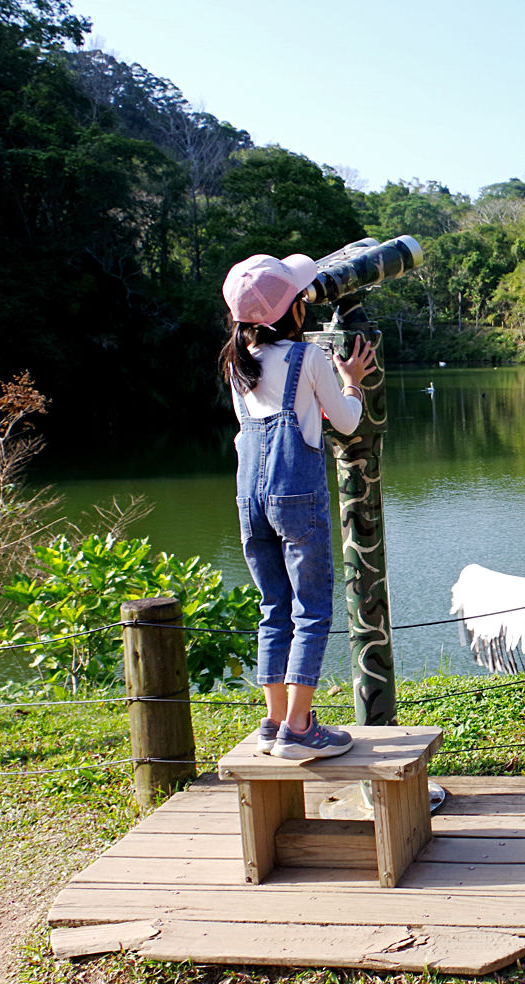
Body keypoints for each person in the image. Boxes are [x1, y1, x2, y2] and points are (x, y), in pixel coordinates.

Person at [219, 252, 377, 760]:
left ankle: (272, 720)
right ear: (295, 311)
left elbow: (248, 436)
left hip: (250, 497)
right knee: (311, 609)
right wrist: (350, 378)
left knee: (273, 608)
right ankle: (299, 726)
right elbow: (347, 421)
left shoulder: (235, 363)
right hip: (296, 494)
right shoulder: (307, 358)